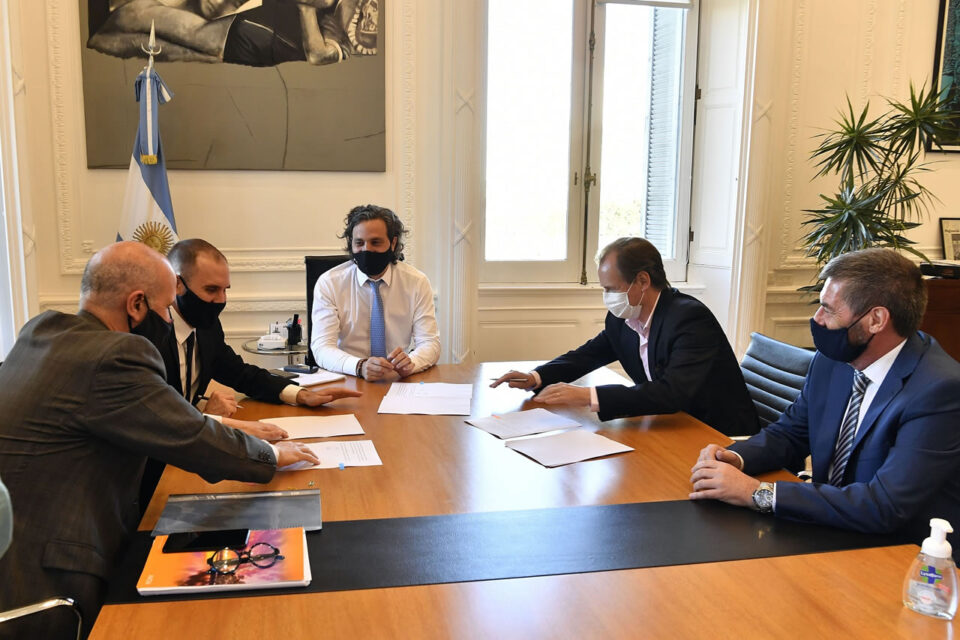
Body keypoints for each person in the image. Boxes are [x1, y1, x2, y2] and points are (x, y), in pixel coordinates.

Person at [0, 242, 319, 639]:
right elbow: (190, 436)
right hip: (48, 580)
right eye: (167, 308)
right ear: (136, 305)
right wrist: (272, 454)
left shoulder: (42, 331)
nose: (171, 319)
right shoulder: (115, 355)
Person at [690, 248, 960, 558]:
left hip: (903, 554)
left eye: (828, 310)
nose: (817, 319)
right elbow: (792, 432)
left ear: (876, 319)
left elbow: (884, 506)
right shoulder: (833, 360)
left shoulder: (939, 391)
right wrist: (734, 458)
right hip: (830, 528)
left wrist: (756, 493)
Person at [135, 238, 360, 509]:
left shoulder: (206, 325)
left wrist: (300, 395)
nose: (221, 301)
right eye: (211, 290)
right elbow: (162, 422)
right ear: (177, 284)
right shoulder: (145, 337)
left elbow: (239, 372)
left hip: (189, 452)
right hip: (149, 473)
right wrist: (233, 426)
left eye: (225, 290)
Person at [491, 237, 759, 436]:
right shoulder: (624, 318)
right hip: (670, 424)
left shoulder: (689, 319)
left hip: (717, 433)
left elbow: (671, 393)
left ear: (642, 281)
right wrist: (536, 377)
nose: (607, 297)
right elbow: (589, 355)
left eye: (612, 288)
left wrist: (588, 396)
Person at [311, 204, 441, 382]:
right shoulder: (330, 283)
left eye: (375, 242)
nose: (366, 249)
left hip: (397, 379)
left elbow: (430, 343)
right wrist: (359, 366)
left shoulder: (416, 282)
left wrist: (412, 362)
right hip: (348, 377)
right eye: (359, 243)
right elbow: (322, 347)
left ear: (393, 243)